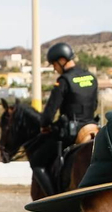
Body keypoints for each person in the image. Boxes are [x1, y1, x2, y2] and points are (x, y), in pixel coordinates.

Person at [36, 41, 99, 196]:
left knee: (37, 161)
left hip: (71, 133)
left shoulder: (64, 81)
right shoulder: (91, 78)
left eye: (54, 64)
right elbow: (95, 104)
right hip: (92, 128)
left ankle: (52, 204)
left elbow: (50, 111)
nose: (54, 68)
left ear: (62, 60)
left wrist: (45, 125)